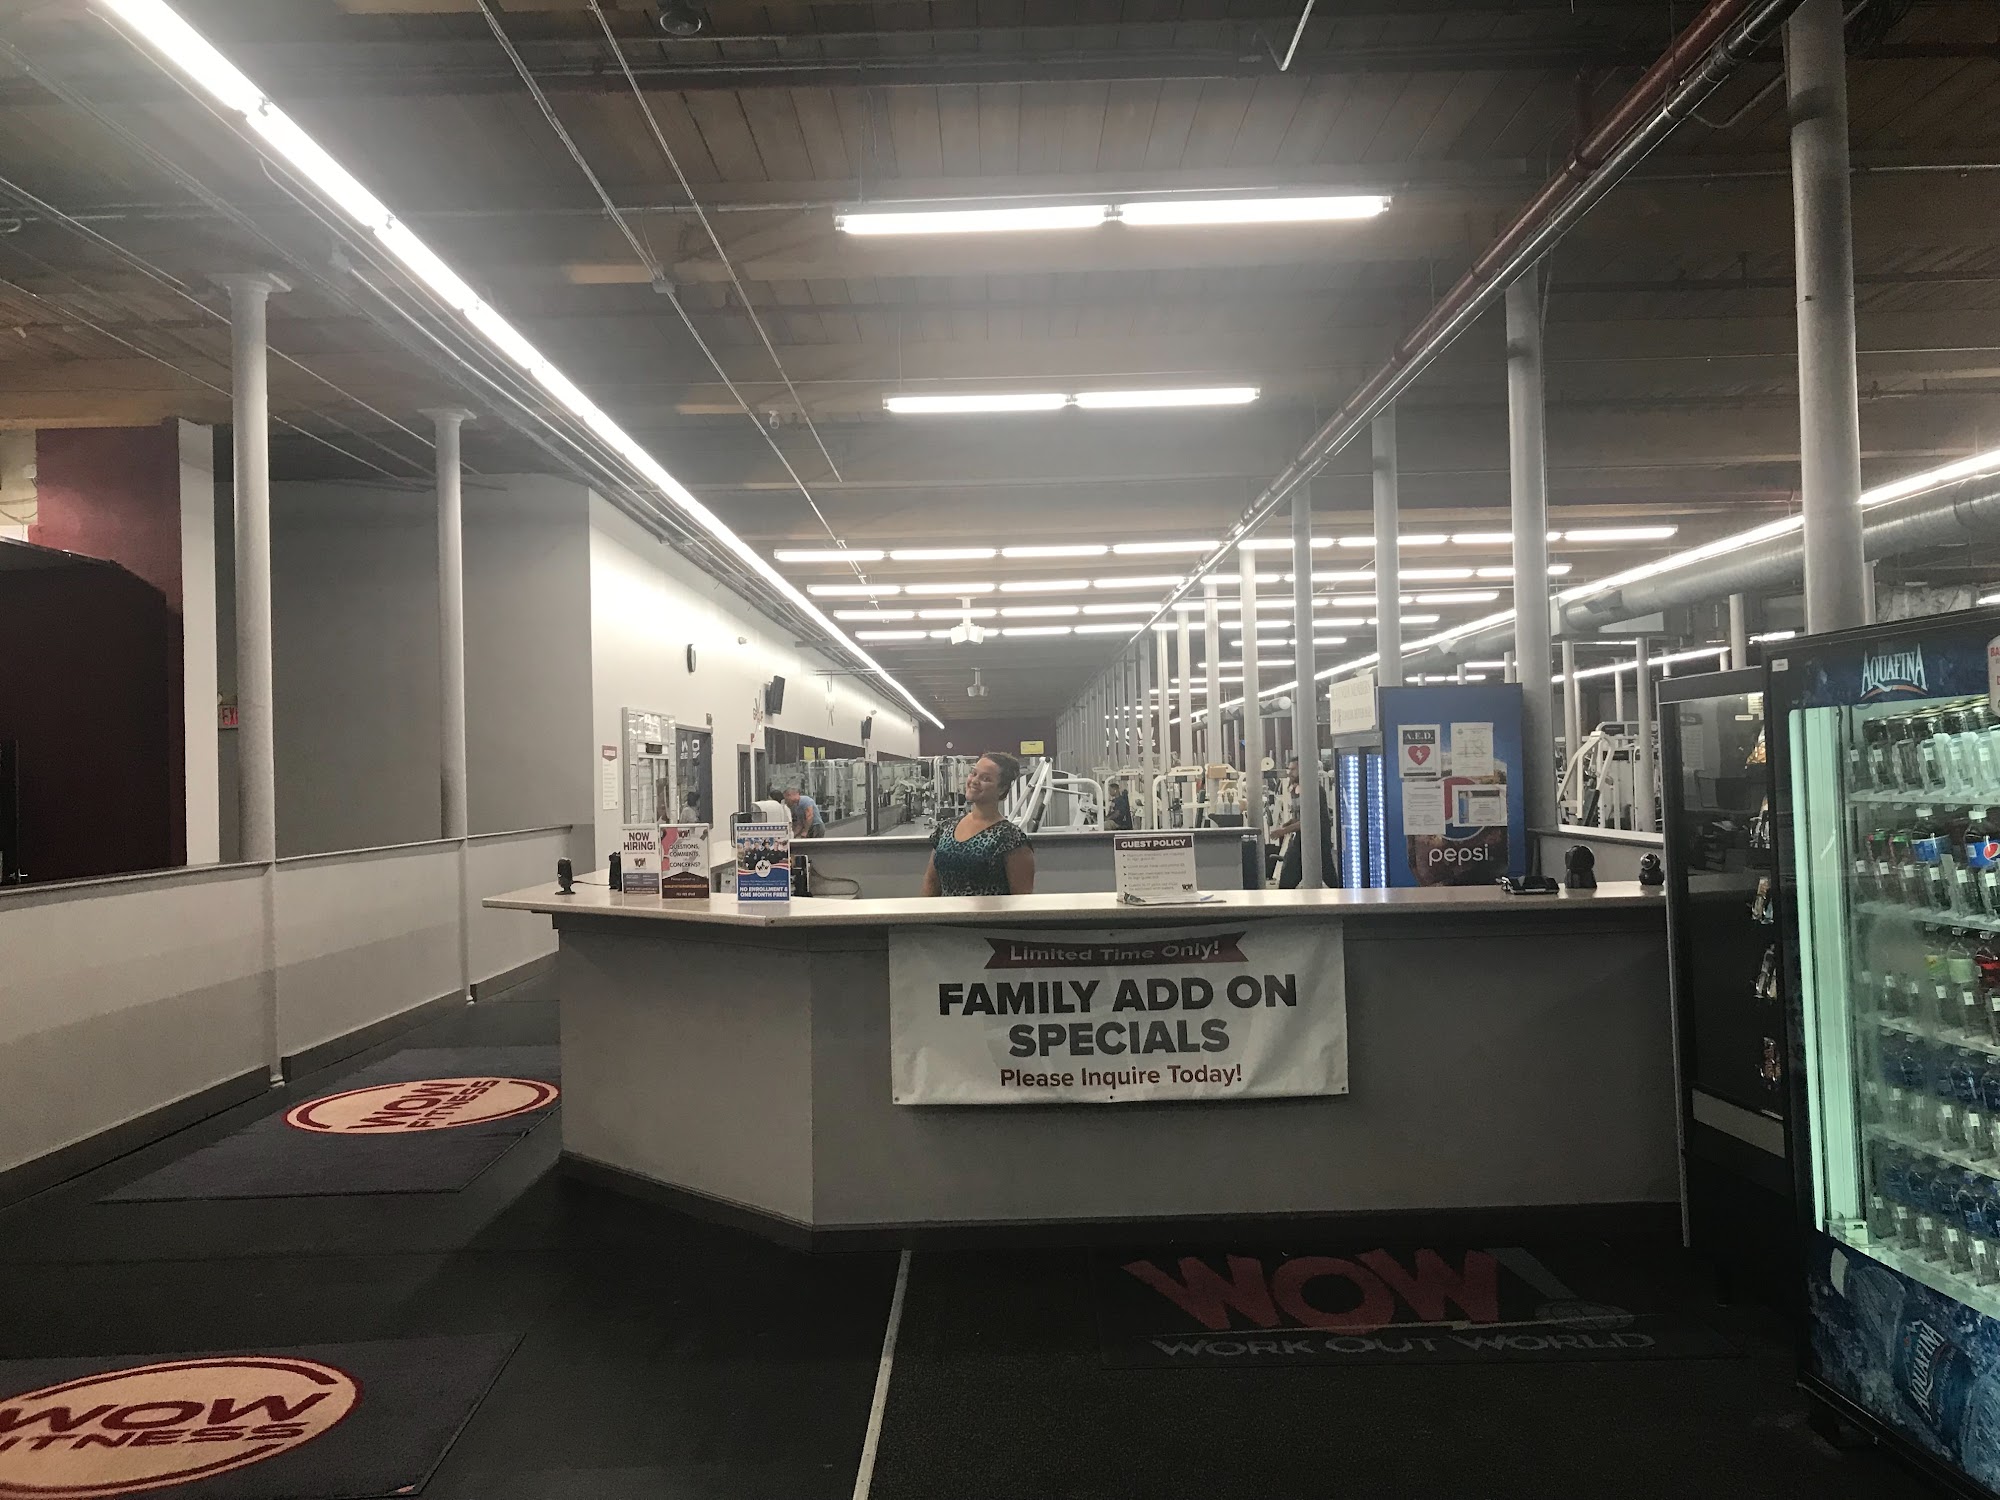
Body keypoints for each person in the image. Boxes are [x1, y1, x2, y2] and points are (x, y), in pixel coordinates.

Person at [922, 753, 1036, 897]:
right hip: (946, 911)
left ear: (1002, 789)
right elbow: (931, 882)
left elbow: (1021, 898)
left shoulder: (1011, 839)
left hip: (990, 912)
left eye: (985, 778)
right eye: (974, 773)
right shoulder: (946, 828)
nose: (975, 781)